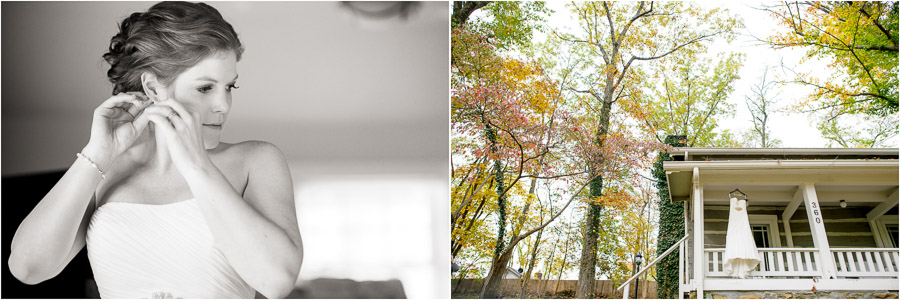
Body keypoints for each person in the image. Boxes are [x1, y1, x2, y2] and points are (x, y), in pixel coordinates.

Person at [7, 2, 303, 298]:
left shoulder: (256, 161)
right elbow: (28, 268)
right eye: (205, 88)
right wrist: (96, 154)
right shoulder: (107, 169)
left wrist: (196, 165)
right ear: (153, 87)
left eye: (230, 87)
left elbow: (276, 281)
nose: (223, 105)